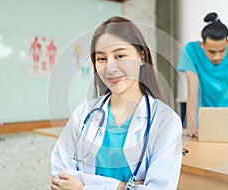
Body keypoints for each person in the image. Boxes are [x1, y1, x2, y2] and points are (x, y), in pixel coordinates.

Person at [51, 16, 182, 190]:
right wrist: (124, 187)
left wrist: (84, 187)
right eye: (101, 59)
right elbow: (60, 179)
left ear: (141, 57)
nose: (110, 68)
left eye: (120, 55)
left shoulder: (166, 121)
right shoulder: (83, 113)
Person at [178, 12, 228, 137]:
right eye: (211, 52)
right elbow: (192, 87)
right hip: (200, 113)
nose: (217, 56)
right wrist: (191, 124)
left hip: (227, 110)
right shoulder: (191, 50)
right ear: (202, 45)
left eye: (222, 50)